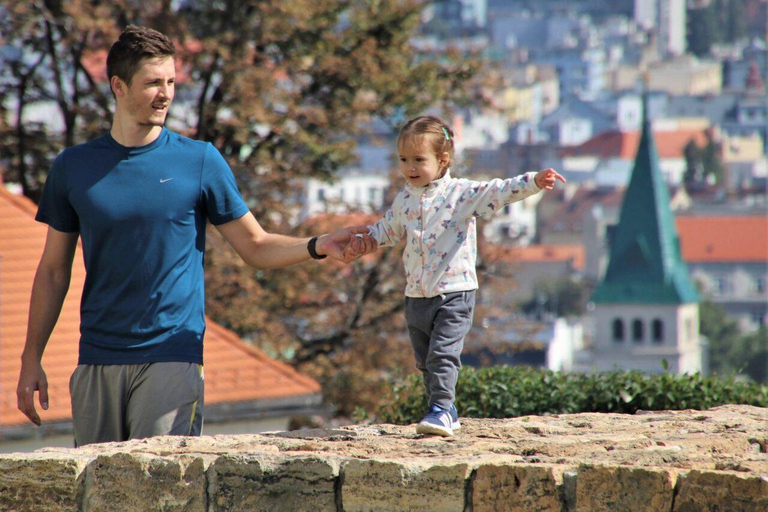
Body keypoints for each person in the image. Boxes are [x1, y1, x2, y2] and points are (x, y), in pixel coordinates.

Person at [16, 25, 376, 446]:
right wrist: (30, 358)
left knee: (157, 489)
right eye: (153, 82)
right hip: (97, 357)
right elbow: (54, 271)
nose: (166, 93)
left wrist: (318, 245)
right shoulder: (72, 168)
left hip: (172, 355)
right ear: (118, 86)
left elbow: (255, 245)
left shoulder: (200, 161)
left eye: (171, 82)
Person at [345, 115, 565, 437]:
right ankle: (447, 409)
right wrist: (366, 240)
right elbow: (387, 228)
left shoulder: (461, 194)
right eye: (404, 159)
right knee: (425, 362)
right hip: (416, 294)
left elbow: (499, 191)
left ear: (443, 160)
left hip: (454, 292)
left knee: (443, 354)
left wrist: (533, 181)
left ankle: (439, 411)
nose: (410, 167)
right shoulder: (405, 198)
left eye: (419, 160)